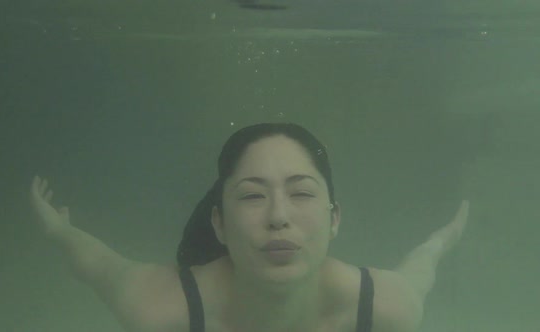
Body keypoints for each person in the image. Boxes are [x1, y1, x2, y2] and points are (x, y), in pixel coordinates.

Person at [30, 122, 469, 332]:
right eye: (253, 195)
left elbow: (419, 275)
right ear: (218, 223)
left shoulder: (383, 309)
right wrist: (60, 230)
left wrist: (436, 244)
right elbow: (101, 267)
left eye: (301, 193)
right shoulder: (164, 311)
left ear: (335, 218)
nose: (279, 216)